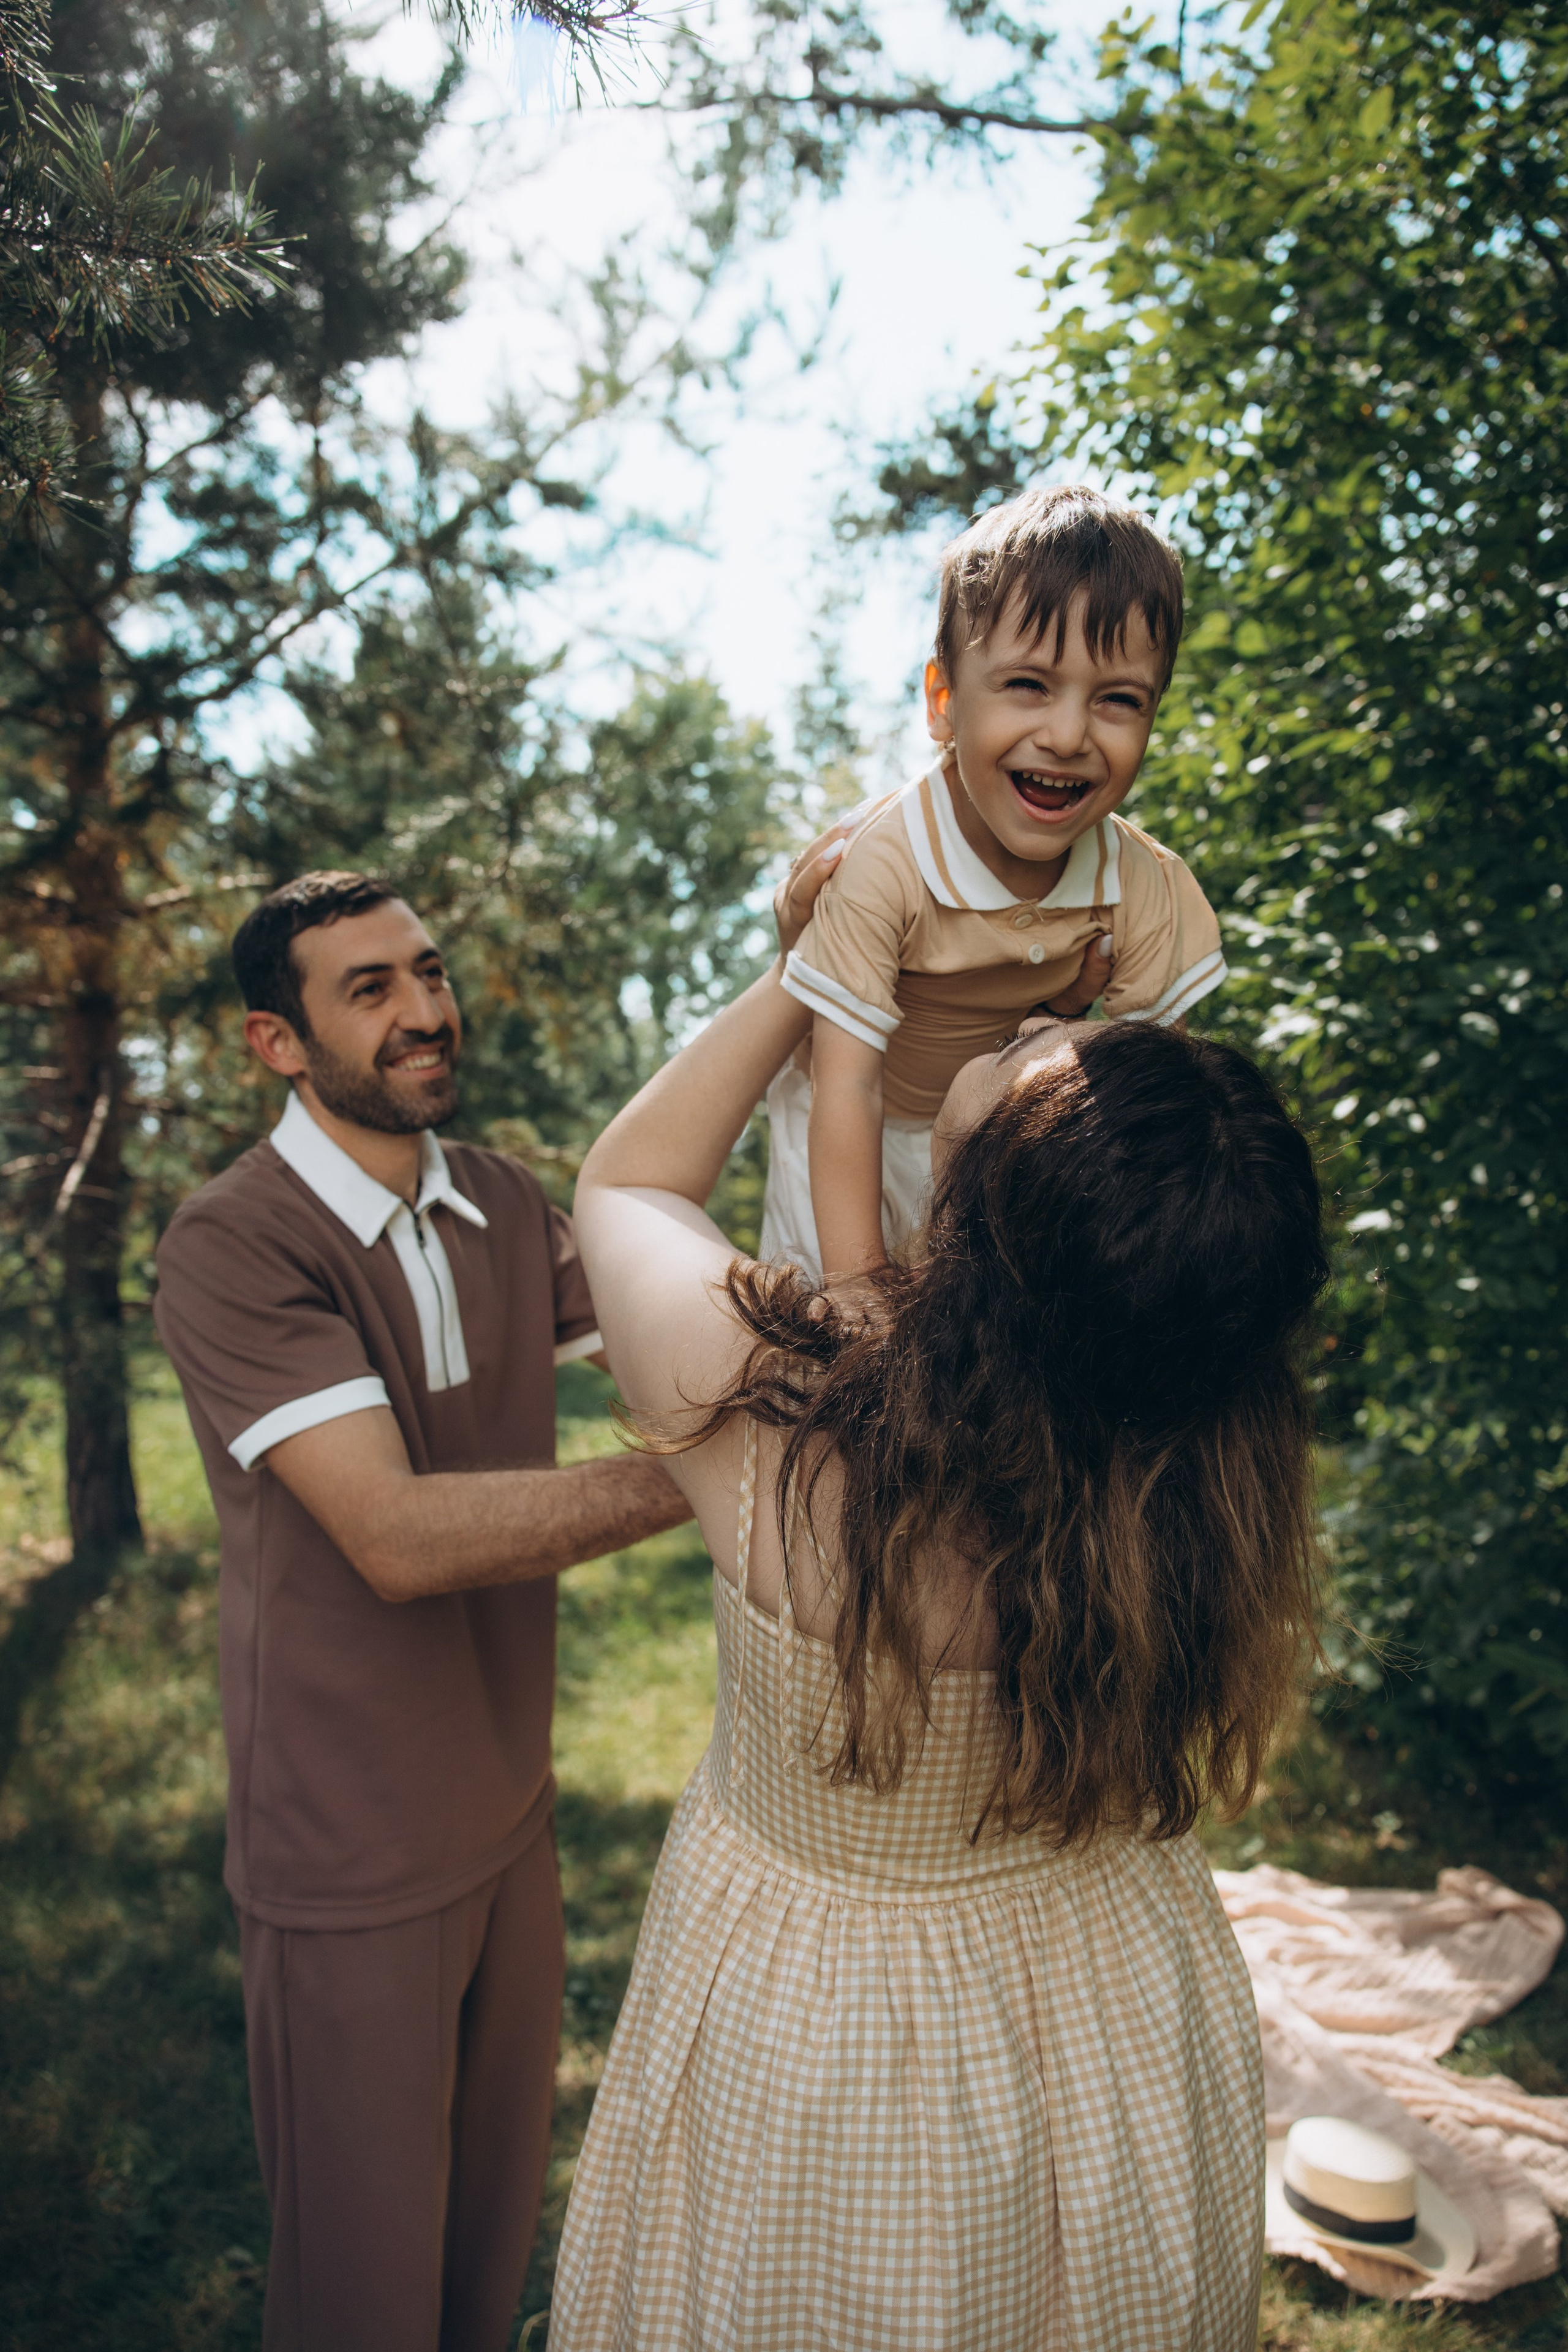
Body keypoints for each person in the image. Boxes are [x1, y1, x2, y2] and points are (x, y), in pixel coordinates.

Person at [546, 842, 1327, 2351]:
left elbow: (627, 1181)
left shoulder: (796, 1430)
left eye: (1046, 1056)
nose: (1035, 1030)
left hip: (832, 2040)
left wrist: (810, 962)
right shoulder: (1207, 1472)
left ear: (990, 1210)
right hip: (1116, 2000)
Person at [153, 872, 693, 2352]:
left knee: (478, 2273)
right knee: (361, 2300)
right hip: (349, 1845)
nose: (425, 1011)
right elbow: (390, 1536)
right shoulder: (235, 1243)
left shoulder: (502, 1200)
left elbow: (673, 1330)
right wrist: (707, 1472)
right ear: (277, 1042)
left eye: (429, 972)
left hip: (508, 1813)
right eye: (369, 989)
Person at [764, 483, 1227, 1295]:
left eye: (1119, 700)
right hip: (847, 1128)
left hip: (995, 1137)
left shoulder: (1141, 883)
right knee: (825, 1342)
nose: (1069, 735)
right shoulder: (888, 861)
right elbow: (849, 1083)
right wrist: (858, 1283)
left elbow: (1151, 1106)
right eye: (1029, 686)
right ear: (945, 703)